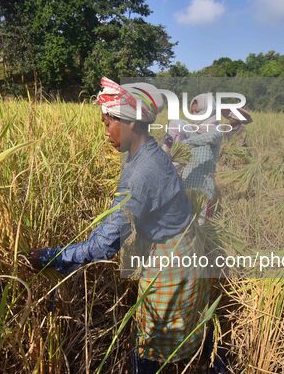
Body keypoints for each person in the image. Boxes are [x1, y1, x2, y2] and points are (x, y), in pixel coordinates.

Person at [29, 77, 212, 373]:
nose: (105, 133)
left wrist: (53, 256)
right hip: (178, 248)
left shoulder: (145, 171)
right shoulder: (143, 153)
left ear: (131, 123)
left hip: (174, 260)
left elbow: (104, 245)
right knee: (174, 328)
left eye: (107, 124)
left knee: (151, 348)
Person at [162, 93, 223, 220]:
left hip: (204, 188)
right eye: (193, 112)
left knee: (201, 226)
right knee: (186, 226)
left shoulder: (217, 130)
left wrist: (186, 143)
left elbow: (209, 138)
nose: (195, 115)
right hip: (187, 185)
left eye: (198, 111)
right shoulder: (192, 131)